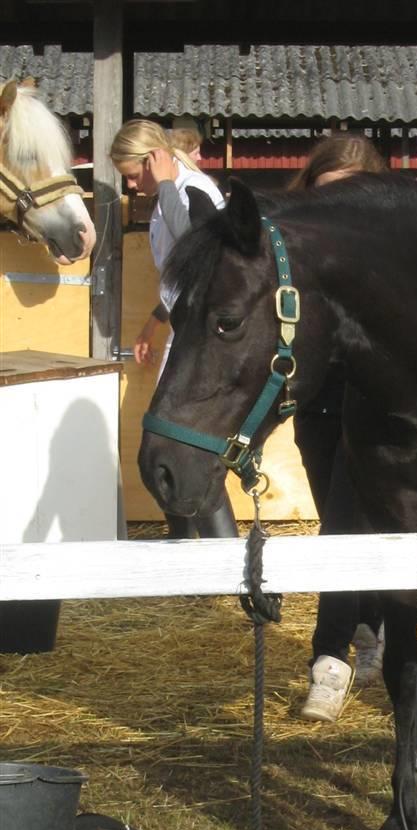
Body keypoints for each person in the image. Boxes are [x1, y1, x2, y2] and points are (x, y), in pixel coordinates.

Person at [286, 135, 389, 722]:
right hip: (318, 405)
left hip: (371, 406)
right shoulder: (300, 250)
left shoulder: (390, 249)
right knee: (341, 521)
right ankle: (372, 628)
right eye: (325, 194)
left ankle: (329, 660)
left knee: (342, 533)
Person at [110, 119, 238, 540]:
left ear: (152, 160)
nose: (130, 186)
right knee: (175, 436)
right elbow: (179, 279)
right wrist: (153, 324)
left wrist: (165, 185)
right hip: (189, 331)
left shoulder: (190, 190)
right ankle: (188, 543)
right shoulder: (174, 192)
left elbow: (198, 255)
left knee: (186, 437)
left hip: (204, 339)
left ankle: (212, 550)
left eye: (132, 174)